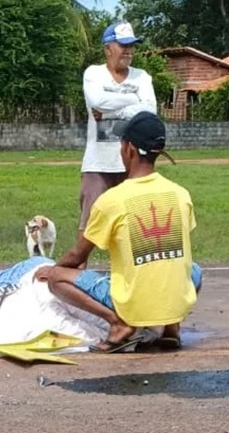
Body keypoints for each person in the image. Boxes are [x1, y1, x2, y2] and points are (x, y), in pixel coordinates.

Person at [34, 111, 201, 354]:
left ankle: (119, 324)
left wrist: (52, 269)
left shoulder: (113, 200)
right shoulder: (181, 194)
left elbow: (77, 257)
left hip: (134, 301)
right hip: (175, 300)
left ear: (129, 149)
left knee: (58, 278)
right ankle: (171, 326)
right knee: (195, 270)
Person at [78, 21, 158, 268]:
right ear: (108, 48)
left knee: (135, 222)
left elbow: (151, 109)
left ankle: (136, 274)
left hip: (133, 163)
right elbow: (96, 100)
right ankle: (77, 272)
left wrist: (114, 109)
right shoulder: (93, 73)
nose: (128, 51)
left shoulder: (142, 76)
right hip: (98, 162)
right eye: (123, 46)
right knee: (89, 222)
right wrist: (133, 101)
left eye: (132, 46)